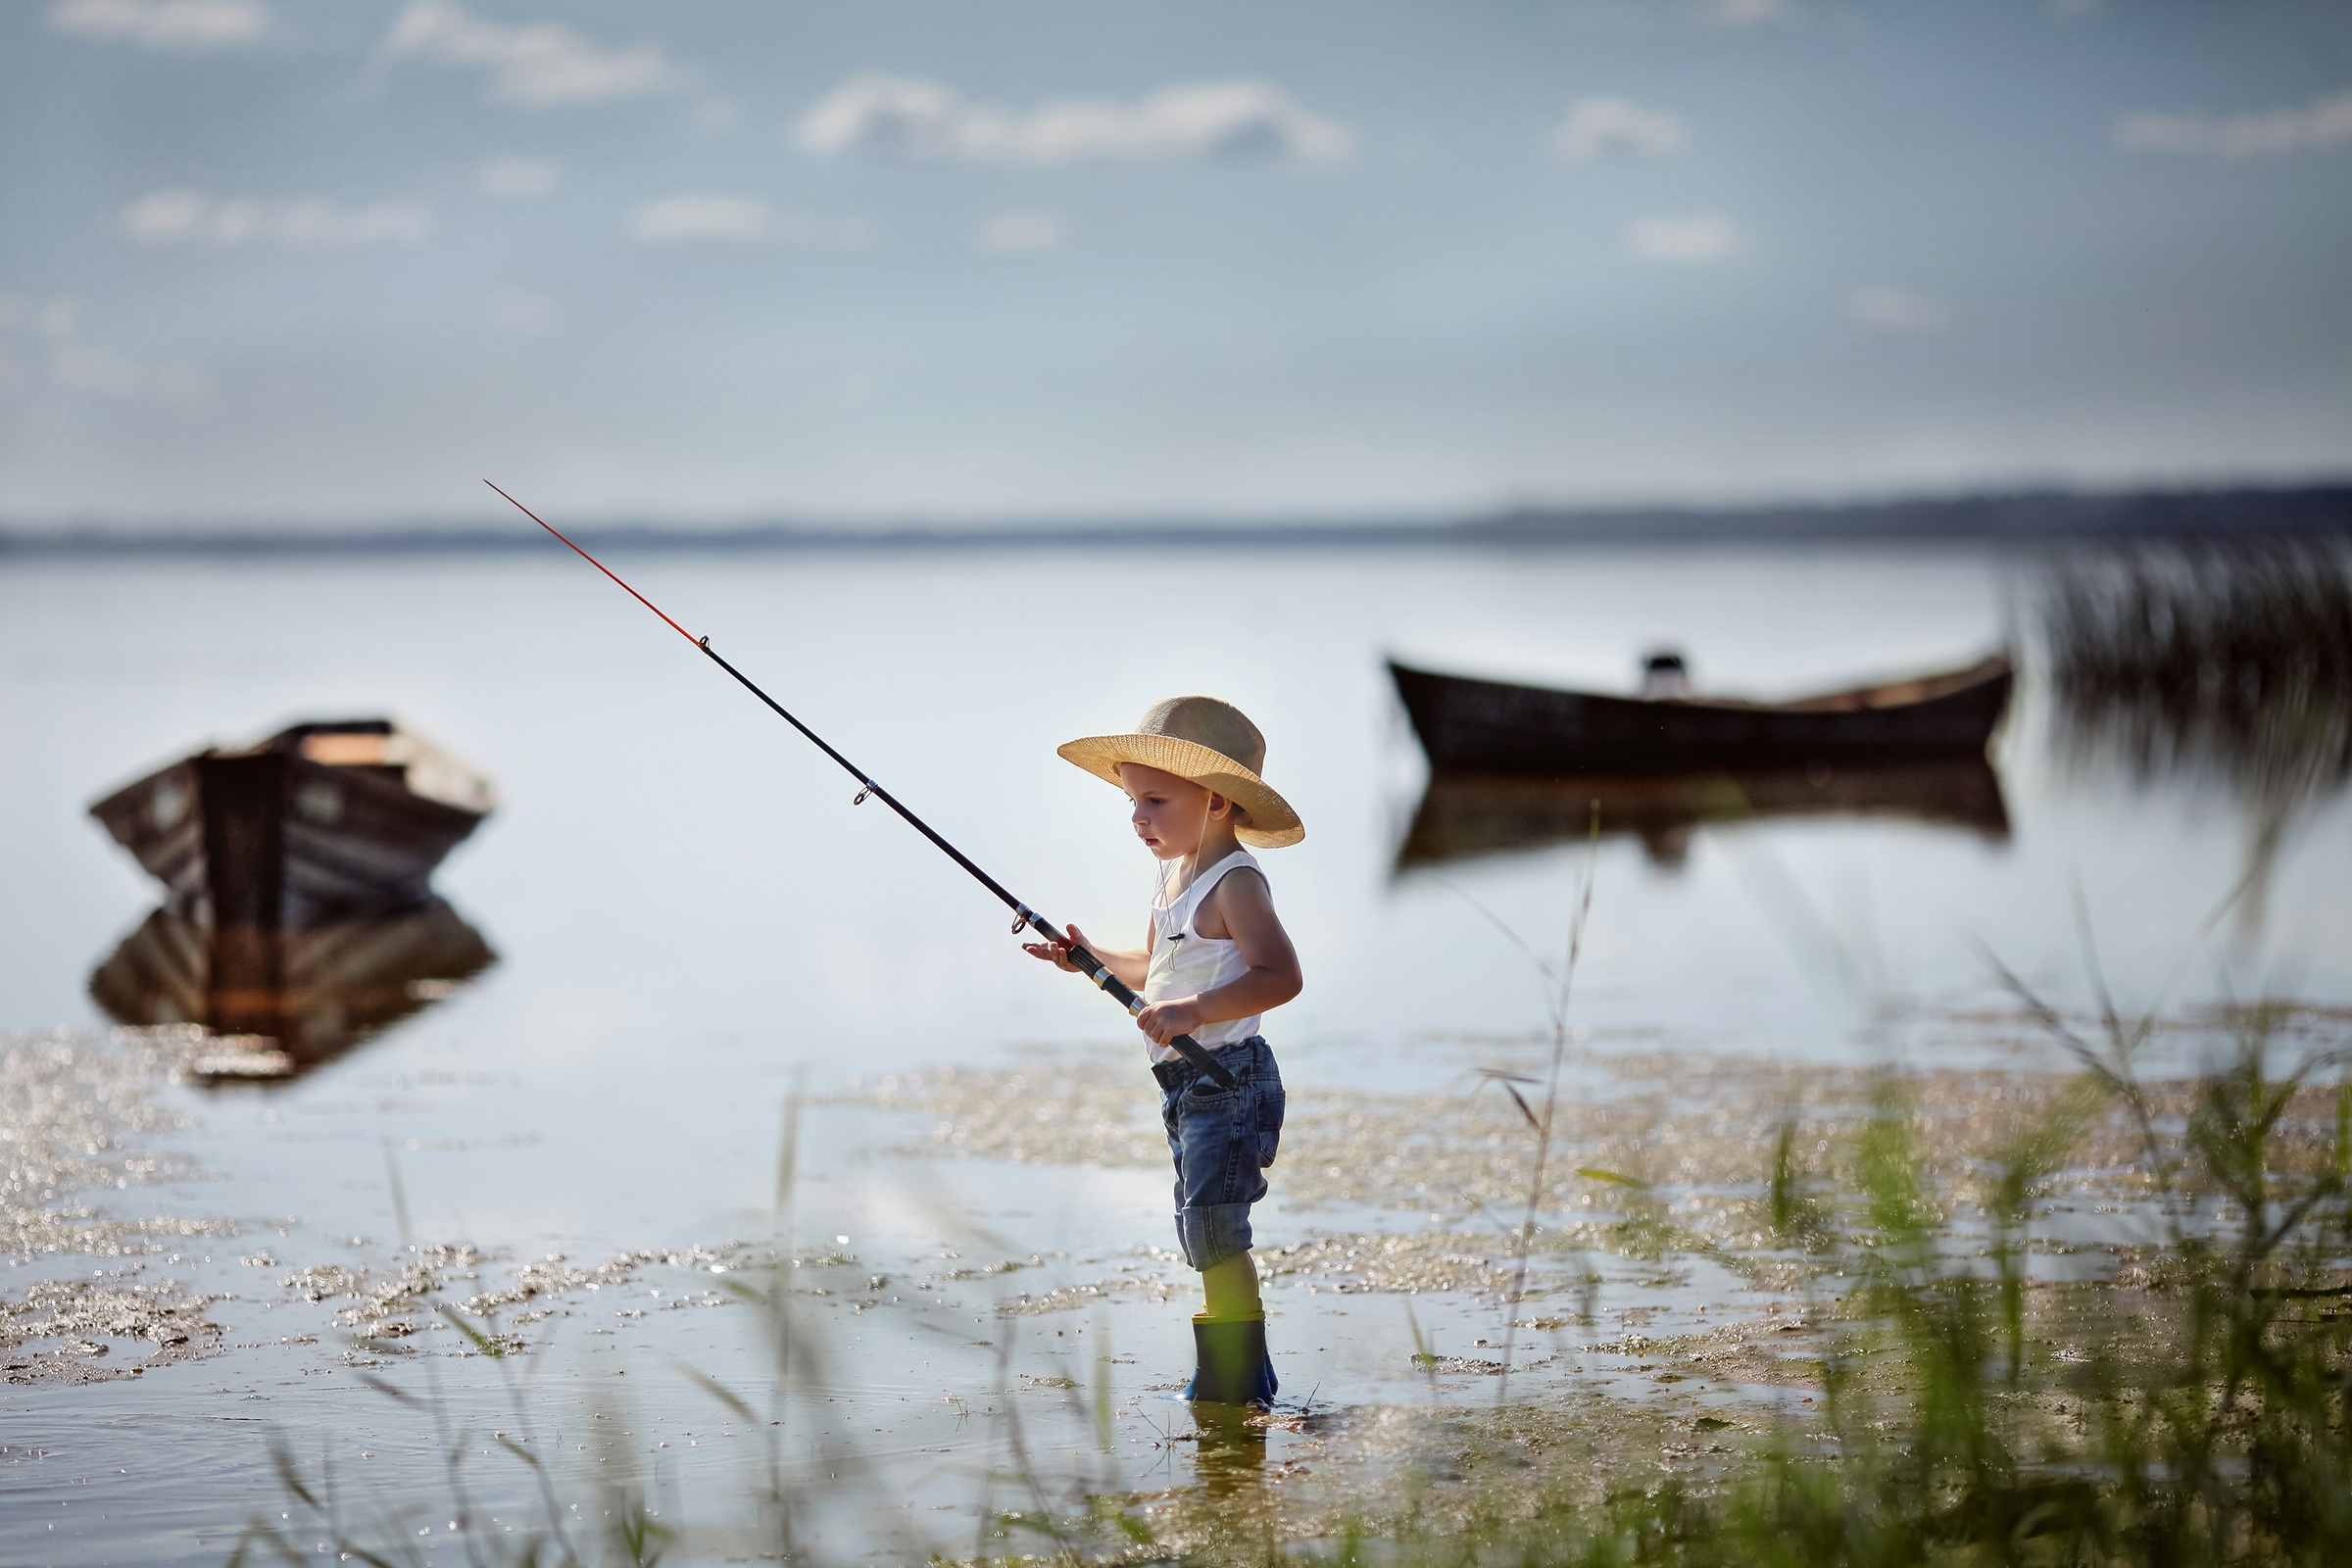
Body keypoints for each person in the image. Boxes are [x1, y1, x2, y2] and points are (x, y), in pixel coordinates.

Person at [1025, 696, 1304, 1405]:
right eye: (1131, 802)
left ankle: (1234, 1376)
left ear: (1215, 800)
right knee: (1197, 1222)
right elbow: (1151, 972)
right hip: (1185, 1084)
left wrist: (1194, 1010)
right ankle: (1246, 1373)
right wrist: (1087, 958)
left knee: (1216, 1226)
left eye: (1154, 800)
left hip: (1228, 1077)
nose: (1137, 818)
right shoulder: (1175, 881)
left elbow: (1281, 976)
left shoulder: (1235, 883)